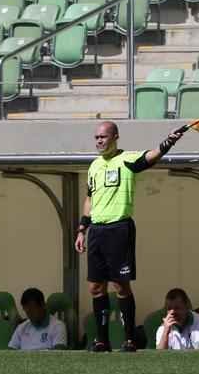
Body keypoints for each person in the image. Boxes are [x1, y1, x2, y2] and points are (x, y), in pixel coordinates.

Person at [76, 120, 186, 352]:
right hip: (97, 230)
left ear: (115, 137)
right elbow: (89, 199)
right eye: (96, 137)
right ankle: (102, 340)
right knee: (95, 287)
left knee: (120, 285)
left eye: (103, 137)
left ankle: (128, 339)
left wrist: (168, 143)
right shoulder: (94, 166)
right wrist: (82, 229)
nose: (99, 141)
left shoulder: (127, 159)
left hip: (119, 229)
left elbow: (151, 157)